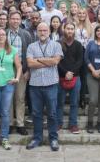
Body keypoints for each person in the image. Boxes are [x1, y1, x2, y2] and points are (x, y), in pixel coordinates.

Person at [26, 22, 63, 151]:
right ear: (36, 32)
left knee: (52, 113)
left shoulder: (56, 45)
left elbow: (55, 61)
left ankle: (53, 138)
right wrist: (47, 60)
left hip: (51, 84)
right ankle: (37, 138)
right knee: (36, 113)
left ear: (49, 31)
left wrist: (39, 60)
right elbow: (30, 64)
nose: (42, 33)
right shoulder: (31, 46)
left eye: (45, 30)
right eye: (40, 30)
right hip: (35, 85)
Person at [7, 11, 32, 135]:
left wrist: (28, 70)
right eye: (13, 19)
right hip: (5, 71)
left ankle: (20, 123)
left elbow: (30, 54)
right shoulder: (3, 33)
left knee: (20, 97)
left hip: (21, 70)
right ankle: (10, 123)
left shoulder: (25, 34)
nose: (15, 21)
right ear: (9, 20)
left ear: (20, 20)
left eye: (17, 19)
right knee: (8, 98)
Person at [57, 23, 83, 133]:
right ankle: (58, 123)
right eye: (68, 28)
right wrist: (65, 72)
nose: (70, 31)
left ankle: (73, 125)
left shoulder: (78, 44)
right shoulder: (58, 44)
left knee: (74, 102)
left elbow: (80, 61)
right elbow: (56, 61)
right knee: (59, 102)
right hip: (60, 77)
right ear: (64, 29)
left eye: (72, 29)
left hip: (75, 77)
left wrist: (71, 72)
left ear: (74, 31)